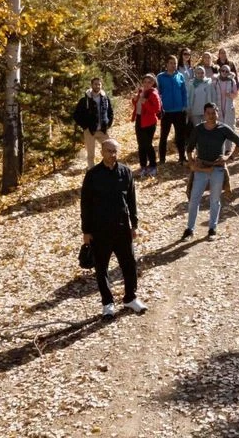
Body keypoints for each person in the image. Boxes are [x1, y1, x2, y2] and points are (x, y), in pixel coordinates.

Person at [81, 139, 147, 318]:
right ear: (101, 152)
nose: (112, 154)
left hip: (122, 228)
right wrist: (86, 231)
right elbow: (85, 205)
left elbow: (131, 200)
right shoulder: (93, 175)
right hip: (99, 230)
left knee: (129, 264)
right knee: (101, 268)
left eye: (115, 151)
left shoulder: (125, 172)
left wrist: (134, 225)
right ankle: (107, 303)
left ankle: (130, 298)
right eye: (109, 151)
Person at [183, 103, 239, 240]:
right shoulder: (198, 129)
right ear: (204, 114)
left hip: (217, 169)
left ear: (217, 113)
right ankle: (189, 229)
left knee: (214, 199)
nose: (211, 116)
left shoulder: (223, 128)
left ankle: (212, 228)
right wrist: (191, 162)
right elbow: (189, 147)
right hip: (201, 168)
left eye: (213, 113)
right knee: (194, 199)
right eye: (208, 113)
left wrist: (230, 157)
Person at [72, 76, 114, 168]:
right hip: (90, 131)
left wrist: (108, 123)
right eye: (95, 84)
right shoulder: (85, 100)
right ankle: (91, 171)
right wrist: (85, 126)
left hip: (102, 130)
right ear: (91, 85)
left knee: (110, 149)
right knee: (91, 155)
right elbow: (76, 115)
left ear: (101, 85)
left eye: (99, 84)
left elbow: (110, 112)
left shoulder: (105, 98)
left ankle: (109, 167)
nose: (97, 86)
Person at [157, 56, 189, 165]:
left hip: (179, 111)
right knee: (164, 136)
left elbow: (184, 92)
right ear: (166, 64)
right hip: (166, 112)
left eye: (175, 63)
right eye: (171, 63)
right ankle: (162, 159)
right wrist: (159, 108)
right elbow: (158, 93)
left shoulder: (180, 76)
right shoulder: (160, 77)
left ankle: (182, 157)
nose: (173, 65)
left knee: (180, 136)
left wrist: (185, 105)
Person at [131, 74, 161, 178]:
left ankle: (153, 165)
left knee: (147, 144)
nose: (147, 84)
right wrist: (135, 100)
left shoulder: (153, 94)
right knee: (140, 145)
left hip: (149, 122)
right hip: (139, 120)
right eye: (145, 82)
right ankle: (143, 166)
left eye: (149, 82)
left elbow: (156, 110)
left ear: (153, 83)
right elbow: (137, 106)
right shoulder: (141, 91)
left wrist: (146, 103)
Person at [212, 64, 239, 129]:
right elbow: (212, 93)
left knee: (229, 124)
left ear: (229, 72)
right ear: (220, 71)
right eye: (223, 70)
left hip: (228, 106)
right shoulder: (215, 81)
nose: (224, 72)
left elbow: (235, 95)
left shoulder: (232, 81)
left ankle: (229, 138)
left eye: (227, 71)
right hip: (218, 105)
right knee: (218, 124)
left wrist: (230, 95)